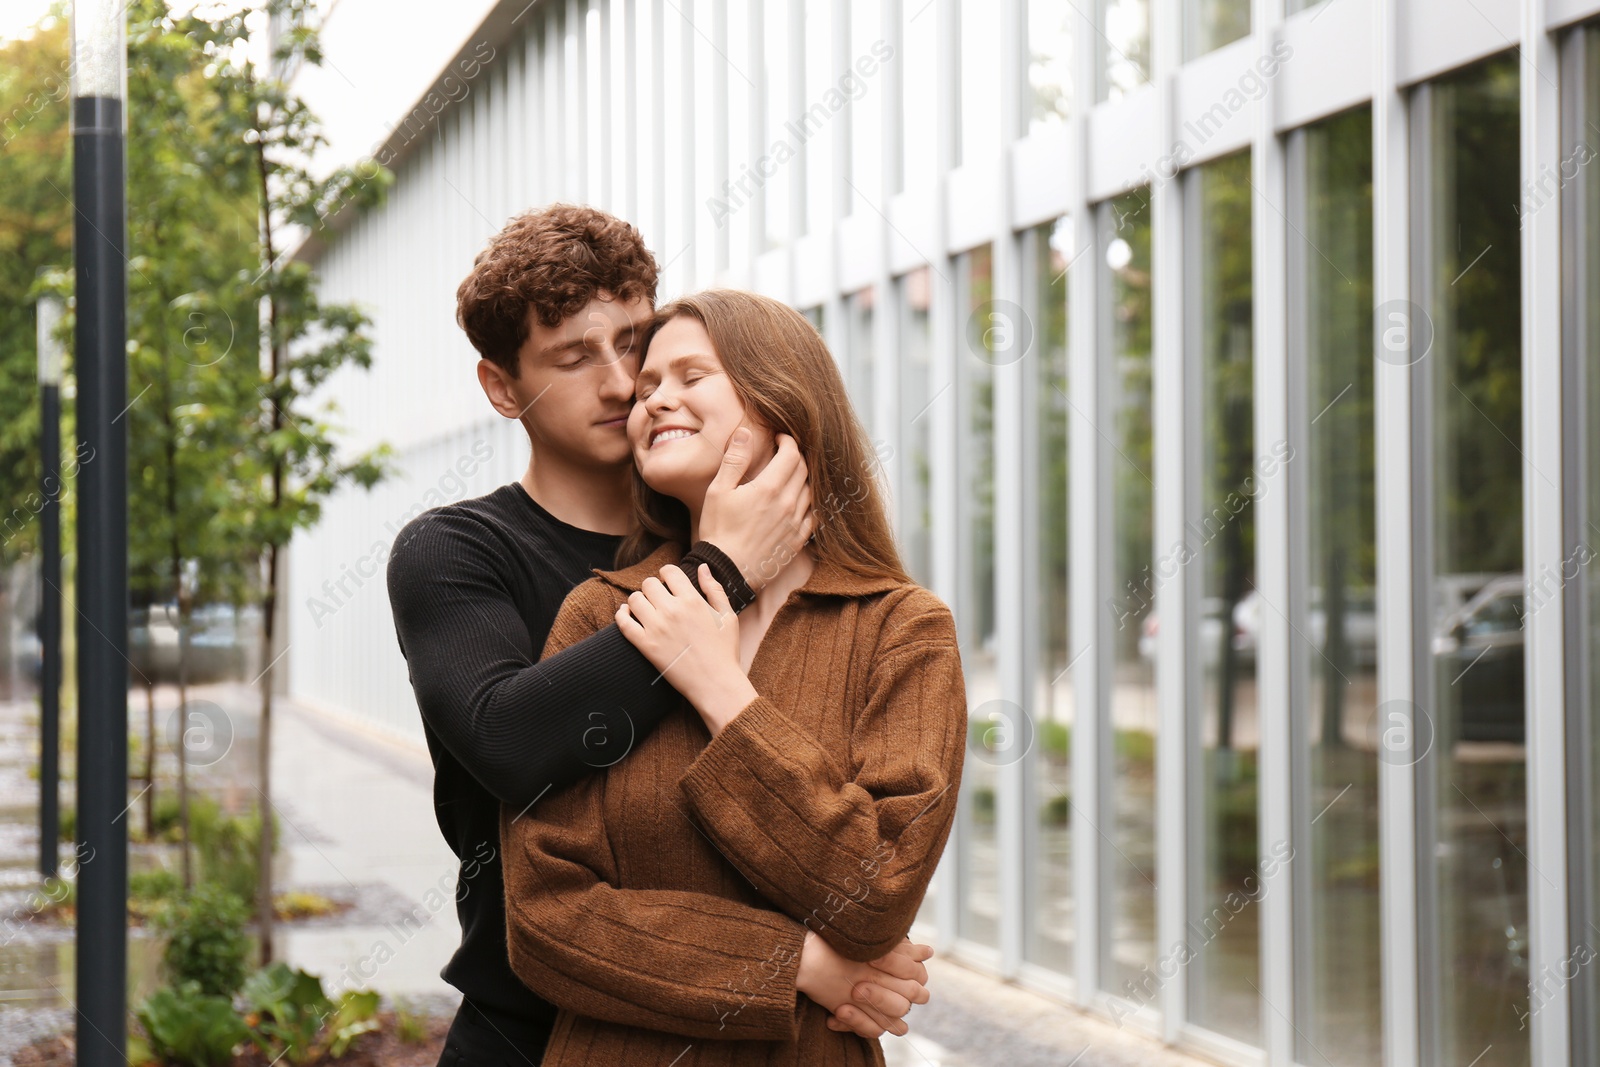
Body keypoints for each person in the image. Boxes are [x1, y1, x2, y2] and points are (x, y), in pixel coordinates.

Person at [386, 206, 930, 1066]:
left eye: (631, 345)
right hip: (528, 1029)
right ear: (501, 387)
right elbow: (511, 740)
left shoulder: (859, 611)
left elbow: (861, 846)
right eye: (573, 357)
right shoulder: (458, 551)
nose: (619, 382)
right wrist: (724, 566)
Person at [499, 289, 968, 1066]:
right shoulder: (602, 616)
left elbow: (878, 892)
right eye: (648, 386)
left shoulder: (902, 628)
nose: (653, 400)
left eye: (690, 375)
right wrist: (801, 967)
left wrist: (722, 689)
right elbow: (544, 918)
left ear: (783, 397)